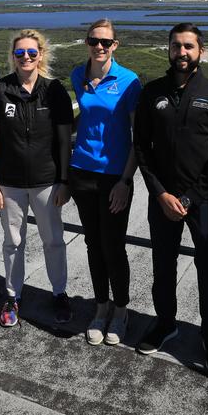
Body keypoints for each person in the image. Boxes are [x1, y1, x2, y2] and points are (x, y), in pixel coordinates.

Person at [133, 23, 208, 376]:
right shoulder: (152, 93)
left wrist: (190, 198)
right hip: (162, 199)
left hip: (202, 201)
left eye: (189, 46)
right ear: (168, 49)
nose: (182, 52)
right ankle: (165, 323)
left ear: (200, 51)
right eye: (176, 46)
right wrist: (160, 192)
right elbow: (142, 148)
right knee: (162, 265)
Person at [0, 30, 74, 328]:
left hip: (47, 182)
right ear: (13, 56)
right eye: (20, 53)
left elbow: (63, 142)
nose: (25, 58)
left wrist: (64, 181)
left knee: (53, 241)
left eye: (31, 53)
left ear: (41, 55)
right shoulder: (0, 90)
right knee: (13, 242)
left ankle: (59, 293)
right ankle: (12, 296)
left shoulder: (54, 91)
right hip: (9, 183)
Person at [68, 18, 141, 346]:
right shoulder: (77, 75)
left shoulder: (129, 81)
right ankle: (100, 307)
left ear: (115, 45)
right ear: (87, 42)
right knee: (93, 245)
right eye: (94, 40)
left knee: (114, 247)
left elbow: (138, 137)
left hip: (115, 177)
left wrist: (126, 181)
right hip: (82, 172)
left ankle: (121, 310)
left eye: (106, 42)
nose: (100, 46)